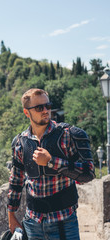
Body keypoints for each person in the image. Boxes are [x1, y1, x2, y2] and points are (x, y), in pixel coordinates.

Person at [7, 88, 95, 240]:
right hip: (32, 223)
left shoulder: (69, 136)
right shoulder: (20, 143)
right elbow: (16, 181)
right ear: (27, 113)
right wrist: (11, 215)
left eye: (48, 106)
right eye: (39, 107)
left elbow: (88, 173)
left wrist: (51, 162)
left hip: (64, 221)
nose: (46, 110)